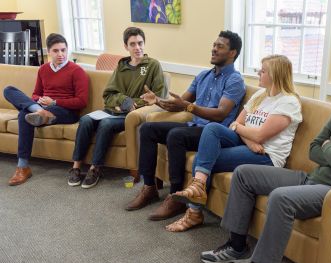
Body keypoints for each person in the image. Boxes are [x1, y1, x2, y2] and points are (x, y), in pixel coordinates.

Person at [200, 59, 331, 263]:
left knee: (280, 198)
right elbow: (314, 148)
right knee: (243, 174)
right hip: (312, 178)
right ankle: (237, 247)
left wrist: (329, 147)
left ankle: (264, 262)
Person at [166, 55, 302, 232]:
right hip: (250, 145)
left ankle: (194, 213)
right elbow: (235, 124)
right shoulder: (261, 95)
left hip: (267, 156)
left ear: (276, 74)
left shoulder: (289, 102)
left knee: (201, 158)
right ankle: (198, 187)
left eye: (263, 71)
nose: (258, 73)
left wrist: (251, 137)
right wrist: (250, 140)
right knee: (213, 128)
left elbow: (260, 135)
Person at [125, 30, 246, 222]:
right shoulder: (203, 76)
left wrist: (189, 106)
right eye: (214, 45)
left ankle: (176, 197)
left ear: (232, 53)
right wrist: (157, 100)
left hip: (213, 134)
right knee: (147, 129)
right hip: (194, 127)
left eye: (220, 46)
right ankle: (149, 188)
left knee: (176, 135)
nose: (214, 49)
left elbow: (221, 113)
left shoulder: (235, 80)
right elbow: (178, 103)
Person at [67, 27, 165, 189]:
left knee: (105, 124)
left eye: (140, 43)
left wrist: (131, 104)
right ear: (126, 47)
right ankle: (76, 167)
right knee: (85, 120)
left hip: (129, 115)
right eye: (132, 44)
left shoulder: (152, 66)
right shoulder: (122, 66)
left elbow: (157, 97)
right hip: (112, 110)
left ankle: (95, 168)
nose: (137, 48)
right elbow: (109, 94)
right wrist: (123, 100)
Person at [3, 33, 89, 186]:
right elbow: (36, 93)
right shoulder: (43, 69)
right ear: (48, 52)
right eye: (56, 51)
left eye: (63, 50)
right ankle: (39, 112)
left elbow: (82, 101)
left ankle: (22, 166)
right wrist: (39, 101)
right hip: (43, 107)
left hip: (66, 112)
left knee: (24, 114)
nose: (60, 54)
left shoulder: (77, 71)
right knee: (8, 90)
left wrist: (54, 102)